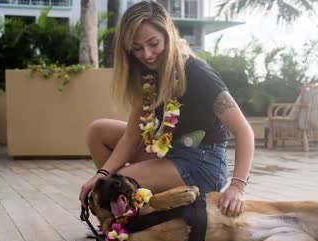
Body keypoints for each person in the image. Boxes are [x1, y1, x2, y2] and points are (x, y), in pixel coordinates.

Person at [79, 0, 254, 217]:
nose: (147, 54)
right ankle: (125, 211)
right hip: (170, 152)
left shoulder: (198, 74)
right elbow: (131, 137)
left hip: (203, 163)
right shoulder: (146, 73)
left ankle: (124, 215)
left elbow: (243, 130)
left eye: (153, 43)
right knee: (98, 131)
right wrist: (102, 175)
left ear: (168, 36)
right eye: (137, 48)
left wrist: (237, 187)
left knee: (121, 182)